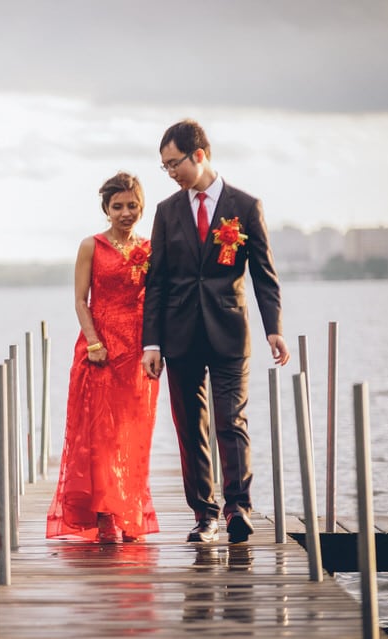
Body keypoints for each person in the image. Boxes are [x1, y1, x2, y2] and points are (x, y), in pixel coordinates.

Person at [141, 119, 290, 544]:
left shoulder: (246, 205)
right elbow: (157, 281)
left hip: (229, 331)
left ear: (199, 154)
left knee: (231, 420)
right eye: (165, 167)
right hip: (179, 334)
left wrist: (273, 329)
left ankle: (237, 508)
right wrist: (151, 343)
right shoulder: (167, 212)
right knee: (190, 427)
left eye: (174, 164)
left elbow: (264, 275)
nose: (170, 173)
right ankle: (204, 516)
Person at [47, 171, 160, 544]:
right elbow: (81, 300)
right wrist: (94, 343)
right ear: (106, 209)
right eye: (118, 206)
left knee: (133, 432)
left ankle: (129, 509)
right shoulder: (91, 246)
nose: (125, 212)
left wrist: (154, 347)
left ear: (141, 207)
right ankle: (104, 515)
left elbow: (157, 299)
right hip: (101, 348)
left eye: (132, 205)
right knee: (100, 434)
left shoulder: (148, 248)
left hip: (138, 349)